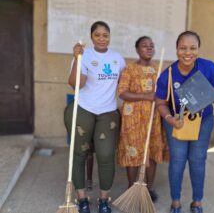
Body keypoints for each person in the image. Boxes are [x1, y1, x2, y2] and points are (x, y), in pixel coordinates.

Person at [155, 31, 214, 213]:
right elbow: (160, 103)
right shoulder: (168, 75)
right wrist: (170, 119)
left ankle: (197, 201)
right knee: (178, 160)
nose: (187, 52)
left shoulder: (208, 68)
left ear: (198, 50)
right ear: (176, 49)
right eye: (182, 48)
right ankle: (176, 201)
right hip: (176, 122)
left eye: (192, 48)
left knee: (198, 160)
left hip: (202, 121)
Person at [64, 21, 125, 213]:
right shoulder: (84, 55)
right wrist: (77, 59)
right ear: (91, 37)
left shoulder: (117, 59)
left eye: (105, 35)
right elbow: (75, 85)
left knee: (106, 155)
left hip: (107, 111)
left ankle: (103, 200)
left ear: (109, 37)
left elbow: (124, 86)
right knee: (80, 153)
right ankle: (82, 198)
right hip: (83, 108)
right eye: (97, 35)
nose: (101, 38)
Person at [117, 36, 169, 202]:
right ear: (137, 49)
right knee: (133, 152)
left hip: (153, 118)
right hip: (132, 118)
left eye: (151, 46)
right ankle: (131, 188)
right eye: (144, 46)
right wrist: (147, 95)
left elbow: (163, 95)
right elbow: (122, 92)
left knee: (152, 152)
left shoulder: (158, 70)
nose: (149, 48)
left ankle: (148, 187)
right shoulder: (129, 69)